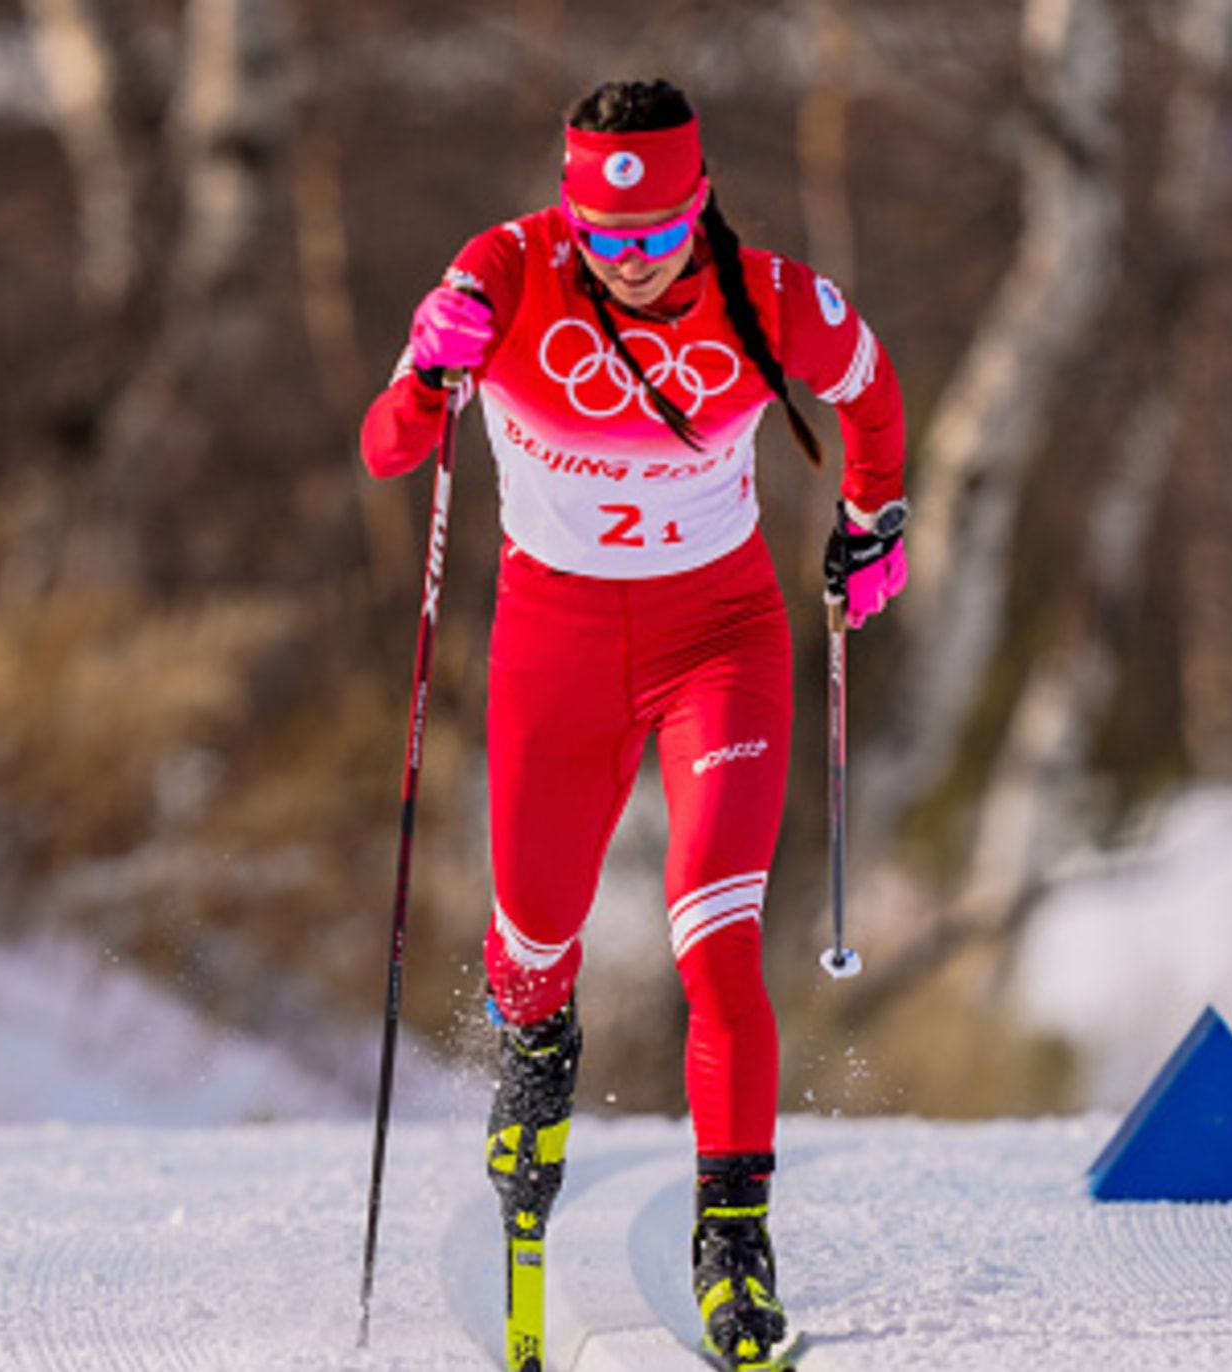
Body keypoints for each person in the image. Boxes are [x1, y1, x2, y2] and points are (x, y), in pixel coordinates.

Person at [360, 77, 908, 1370]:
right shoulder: (501, 275)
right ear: (569, 216)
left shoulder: (768, 300)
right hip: (553, 656)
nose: (634, 264)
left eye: (659, 237)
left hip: (720, 646)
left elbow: (871, 392)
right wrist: (433, 371)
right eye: (606, 241)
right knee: (533, 941)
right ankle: (536, 1055)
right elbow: (390, 451)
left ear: (700, 206)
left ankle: (734, 1245)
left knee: (716, 949)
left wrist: (875, 521)